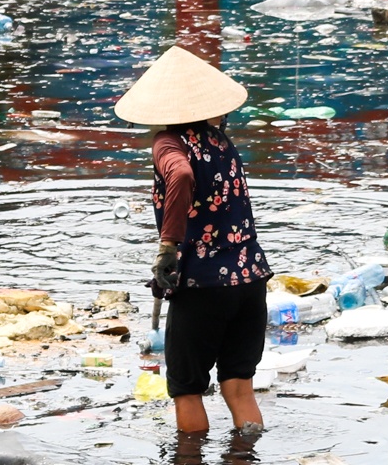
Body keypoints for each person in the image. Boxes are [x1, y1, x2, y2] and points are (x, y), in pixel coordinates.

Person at [115, 46, 271, 439]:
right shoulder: (221, 142)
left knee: (187, 390)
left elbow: (181, 176)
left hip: (203, 285)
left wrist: (168, 247)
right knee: (238, 385)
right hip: (250, 280)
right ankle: (246, 455)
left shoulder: (169, 143)